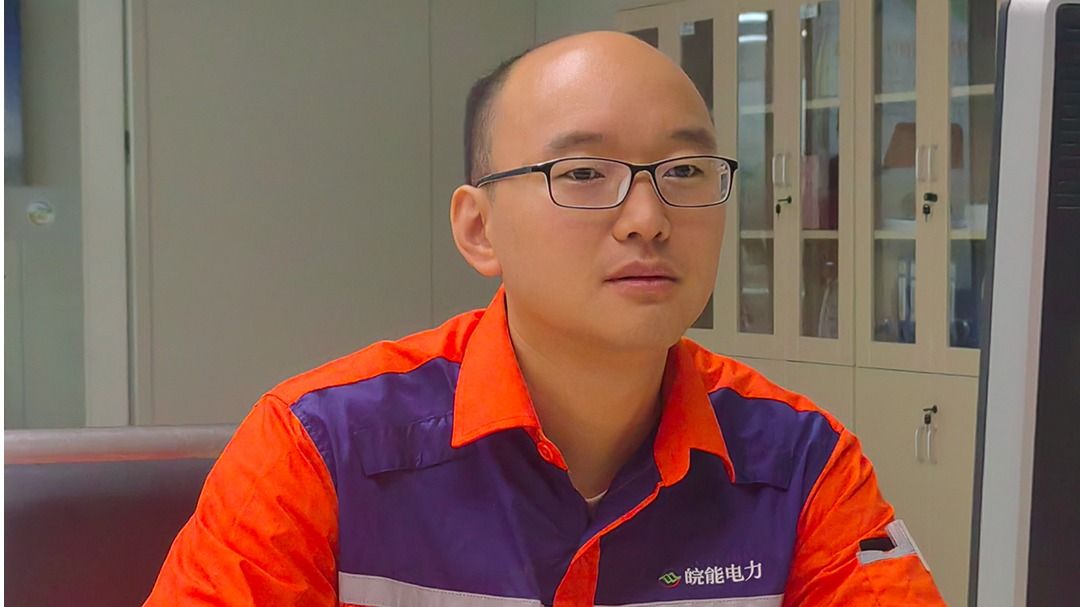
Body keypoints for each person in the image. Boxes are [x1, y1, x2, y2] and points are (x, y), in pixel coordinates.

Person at [144, 31, 945, 606]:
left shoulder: (802, 464)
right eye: (584, 172)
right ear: (478, 228)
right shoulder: (321, 450)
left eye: (685, 170)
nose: (648, 218)